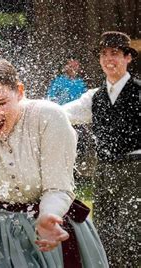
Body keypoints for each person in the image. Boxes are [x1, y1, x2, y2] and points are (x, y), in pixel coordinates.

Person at [0, 58, 108, 267]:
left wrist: (48, 217)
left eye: (0, 102)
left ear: (20, 91)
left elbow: (59, 187)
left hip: (53, 228)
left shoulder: (49, 116)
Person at [63, 31, 140, 267]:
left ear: (127, 58)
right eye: (104, 54)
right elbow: (61, 114)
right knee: (104, 230)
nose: (109, 59)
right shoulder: (93, 97)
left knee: (133, 231)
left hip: (136, 170)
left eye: (115, 54)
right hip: (104, 170)